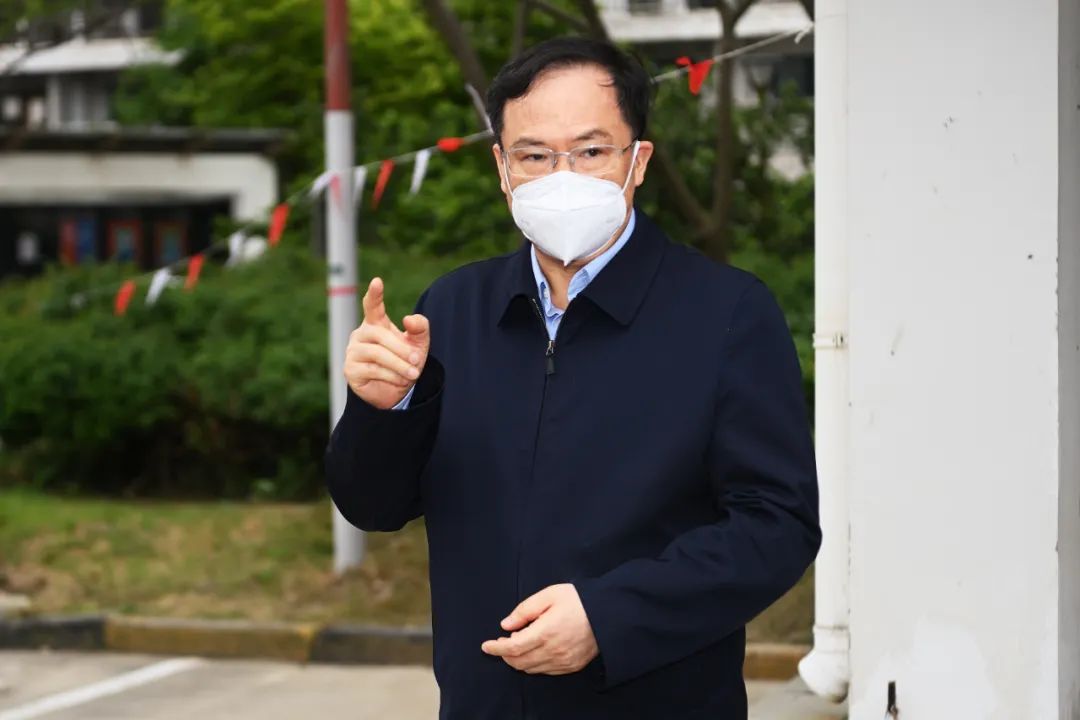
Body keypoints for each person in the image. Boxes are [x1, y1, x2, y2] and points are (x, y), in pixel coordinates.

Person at [326, 36, 821, 720]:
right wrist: (383, 410)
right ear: (502, 169)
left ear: (637, 161)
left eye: (591, 151)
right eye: (534, 155)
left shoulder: (726, 312)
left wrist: (610, 617)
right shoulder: (453, 309)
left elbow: (777, 524)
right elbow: (373, 507)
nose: (563, 176)